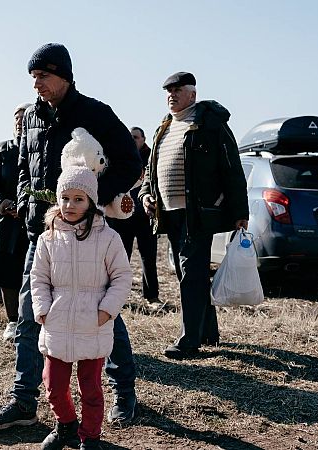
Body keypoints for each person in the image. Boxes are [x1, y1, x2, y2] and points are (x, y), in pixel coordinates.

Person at [0, 43, 142, 430]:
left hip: (88, 235)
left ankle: (124, 393)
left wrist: (92, 199)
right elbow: (24, 166)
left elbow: (130, 163)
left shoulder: (95, 113)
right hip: (43, 233)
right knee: (29, 317)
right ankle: (23, 401)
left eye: (43, 76)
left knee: (104, 316)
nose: (37, 84)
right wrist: (25, 202)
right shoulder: (31, 117)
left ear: (65, 76)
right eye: (33, 77)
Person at [139, 72, 249, 360]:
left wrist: (240, 211)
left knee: (190, 274)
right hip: (169, 213)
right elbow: (151, 169)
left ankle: (189, 340)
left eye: (178, 90)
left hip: (198, 213)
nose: (171, 95)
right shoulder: (164, 127)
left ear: (192, 94)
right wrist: (146, 194)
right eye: (168, 91)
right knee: (188, 273)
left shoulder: (210, 123)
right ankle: (208, 332)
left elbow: (232, 167)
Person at [32, 163, 132, 450]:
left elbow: (122, 277)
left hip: (93, 323)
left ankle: (90, 436)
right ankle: (66, 426)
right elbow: (38, 277)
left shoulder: (108, 238)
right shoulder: (48, 238)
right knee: (53, 385)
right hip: (57, 322)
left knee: (90, 388)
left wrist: (106, 311)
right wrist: (43, 309)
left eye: (78, 199)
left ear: (91, 201)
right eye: (65, 198)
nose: (70, 205)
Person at [0, 103, 33, 342]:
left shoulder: (39, 148)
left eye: (24, 117)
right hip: (4, 224)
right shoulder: (2, 149)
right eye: (16, 117)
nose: (19, 121)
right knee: (7, 276)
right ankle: (12, 321)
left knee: (34, 274)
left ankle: (32, 321)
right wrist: (2, 203)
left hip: (32, 223)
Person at [106, 127, 161, 311]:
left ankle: (152, 296)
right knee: (122, 259)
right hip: (123, 217)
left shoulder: (151, 158)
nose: (133, 140)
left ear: (143, 139)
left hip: (146, 216)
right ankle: (118, 295)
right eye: (130, 137)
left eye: (136, 137)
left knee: (149, 258)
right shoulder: (121, 156)